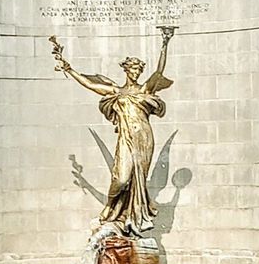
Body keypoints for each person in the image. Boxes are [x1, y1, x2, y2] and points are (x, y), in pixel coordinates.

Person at [52, 27, 175, 236]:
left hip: (144, 138)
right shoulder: (116, 92)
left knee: (139, 179)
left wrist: (165, 43)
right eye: (133, 69)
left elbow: (159, 72)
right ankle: (111, 206)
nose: (136, 73)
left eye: (139, 70)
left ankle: (134, 219)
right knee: (121, 179)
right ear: (126, 70)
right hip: (126, 139)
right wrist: (69, 69)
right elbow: (91, 85)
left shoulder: (145, 90)